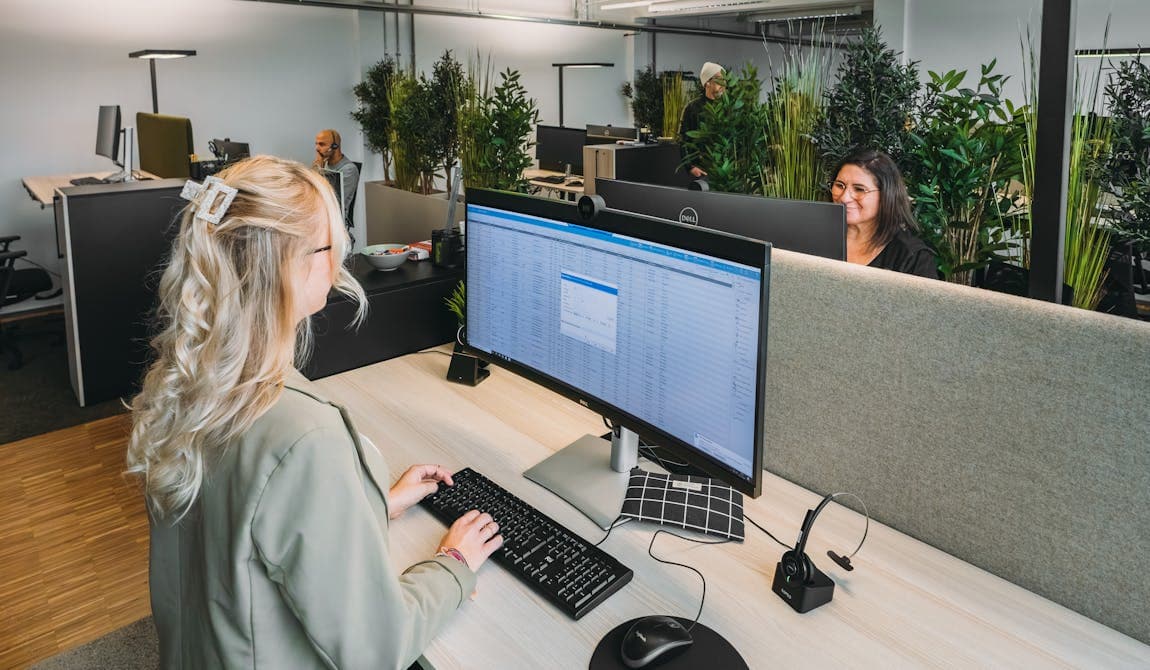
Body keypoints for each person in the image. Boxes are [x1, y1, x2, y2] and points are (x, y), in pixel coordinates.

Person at [126, 155, 503, 669]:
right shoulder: (304, 436)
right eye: (332, 245)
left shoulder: (182, 381)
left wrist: (372, 502)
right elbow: (375, 649)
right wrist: (454, 564)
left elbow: (243, 531)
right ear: (288, 265)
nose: (340, 260)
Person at [830, 149, 939, 279]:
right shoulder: (815, 234)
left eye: (859, 189)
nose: (844, 198)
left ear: (886, 195)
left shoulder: (912, 257)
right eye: (840, 185)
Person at [678, 61, 726, 179]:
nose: (723, 84)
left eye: (724, 80)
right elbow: (683, 140)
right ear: (707, 83)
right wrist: (690, 167)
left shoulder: (727, 107)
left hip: (725, 169)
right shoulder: (692, 108)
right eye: (719, 80)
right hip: (702, 169)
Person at [314, 128, 360, 222]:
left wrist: (319, 170)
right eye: (316, 144)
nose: (317, 148)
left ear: (335, 146)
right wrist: (318, 168)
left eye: (322, 144)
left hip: (335, 220)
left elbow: (331, 201)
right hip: (321, 214)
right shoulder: (324, 163)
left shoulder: (349, 170)